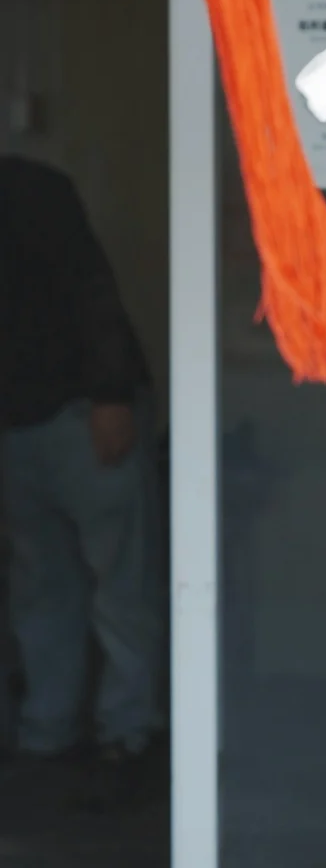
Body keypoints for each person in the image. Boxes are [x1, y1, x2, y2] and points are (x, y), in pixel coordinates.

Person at [0, 156, 163, 808]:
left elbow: (89, 288)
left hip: (80, 410)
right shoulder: (33, 187)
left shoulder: (31, 191)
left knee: (114, 581)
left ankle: (123, 731)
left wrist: (110, 394)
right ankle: (57, 731)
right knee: (46, 581)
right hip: (32, 418)